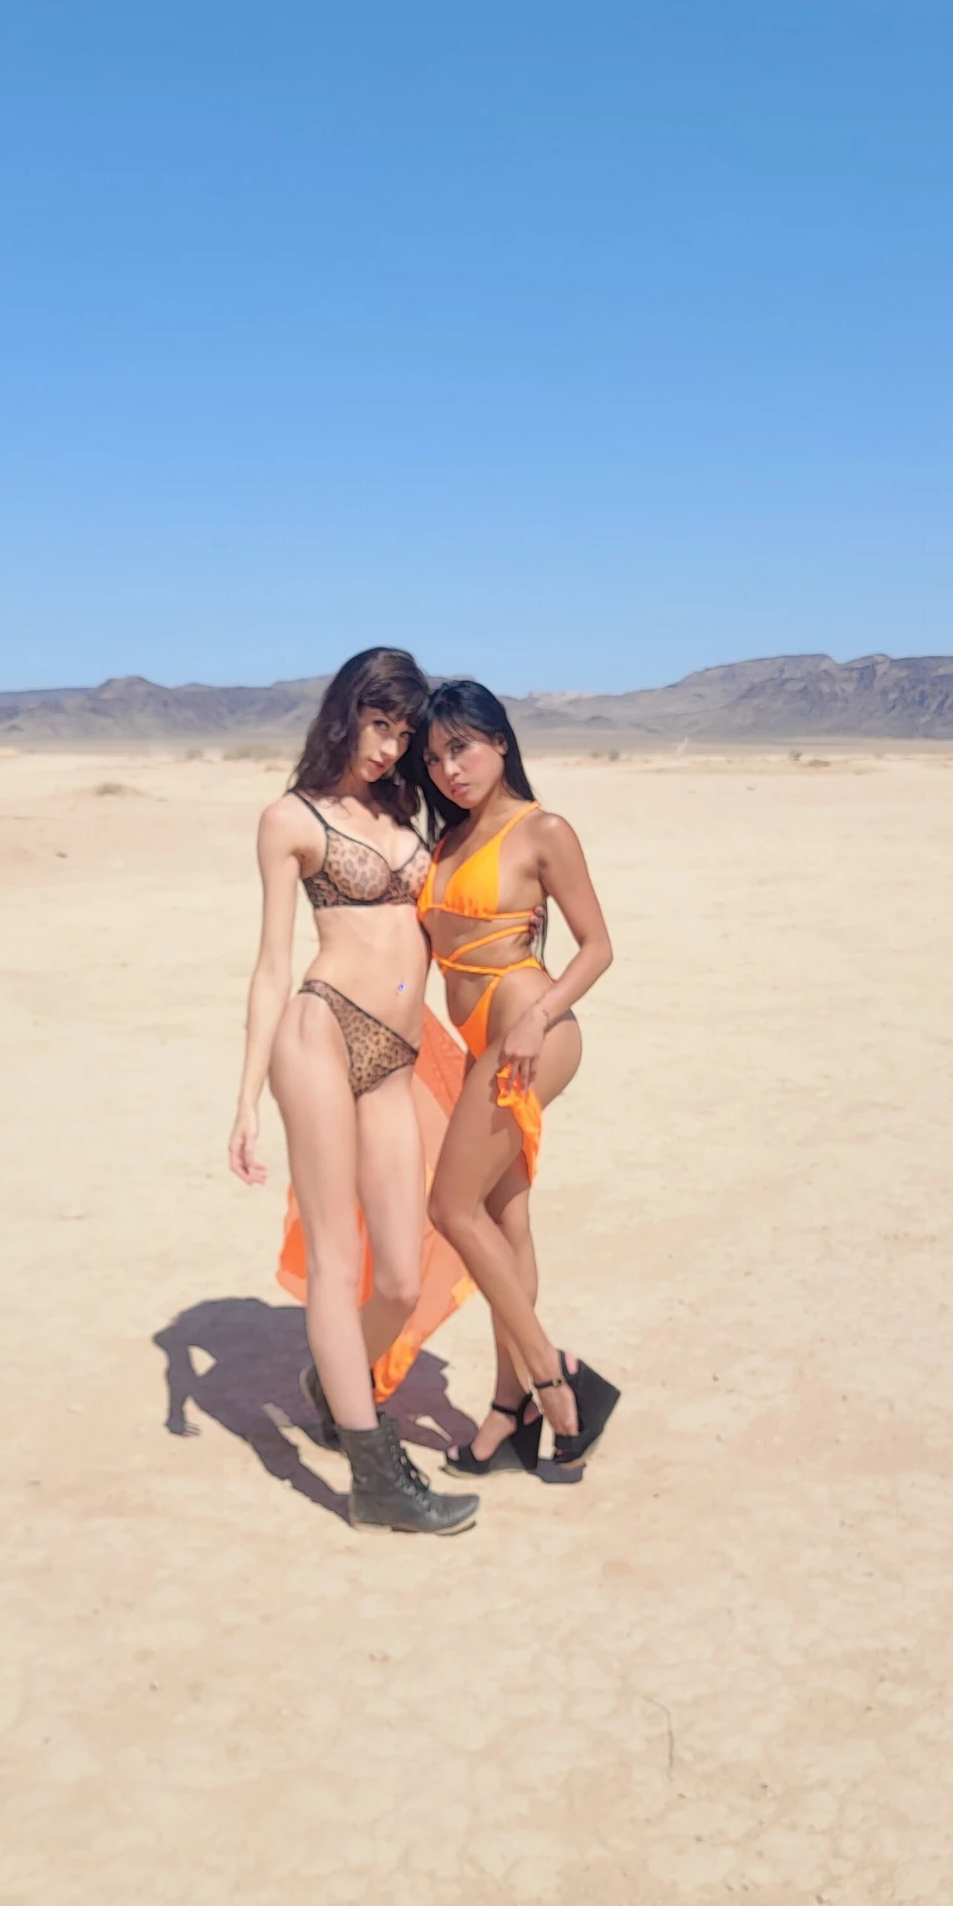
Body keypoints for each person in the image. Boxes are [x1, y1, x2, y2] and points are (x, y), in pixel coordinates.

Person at [229, 648, 481, 1535]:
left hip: (397, 1058)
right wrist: (246, 1099)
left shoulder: (406, 811)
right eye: (379, 726)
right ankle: (373, 1473)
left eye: (403, 734)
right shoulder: (290, 819)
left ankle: (332, 1385)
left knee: (402, 1278)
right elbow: (270, 967)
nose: (389, 748)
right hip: (321, 1035)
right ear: (346, 713)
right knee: (338, 1263)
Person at [412, 679, 621, 1467]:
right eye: (435, 758)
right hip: (482, 1045)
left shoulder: (543, 830)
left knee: (450, 1207)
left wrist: (539, 1015)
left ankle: (553, 1379)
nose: (450, 769)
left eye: (462, 748)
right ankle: (509, 1409)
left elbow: (597, 946)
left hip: (535, 1034)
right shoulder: (445, 843)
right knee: (504, 1223)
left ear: (500, 741)